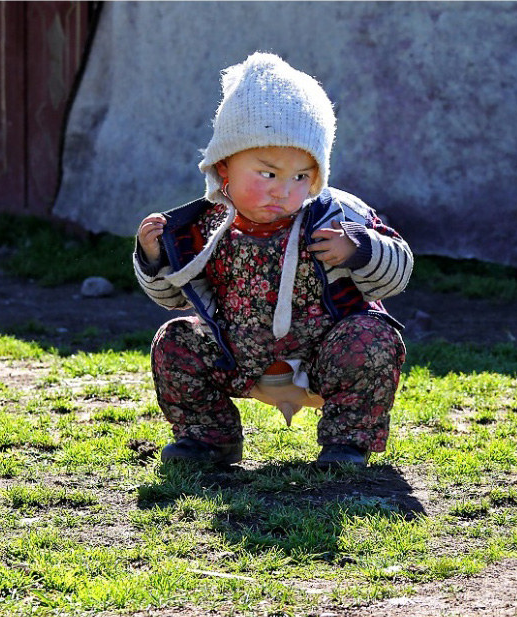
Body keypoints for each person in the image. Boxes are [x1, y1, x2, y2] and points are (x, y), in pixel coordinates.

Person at [133, 52, 412, 468]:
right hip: (239, 356)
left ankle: (346, 443)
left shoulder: (339, 217)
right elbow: (171, 296)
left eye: (301, 176)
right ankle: (208, 438)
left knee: (372, 339)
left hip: (323, 358)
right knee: (174, 340)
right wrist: (153, 256)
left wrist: (360, 250)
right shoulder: (204, 226)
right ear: (224, 166)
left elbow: (400, 269)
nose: (284, 190)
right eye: (268, 174)